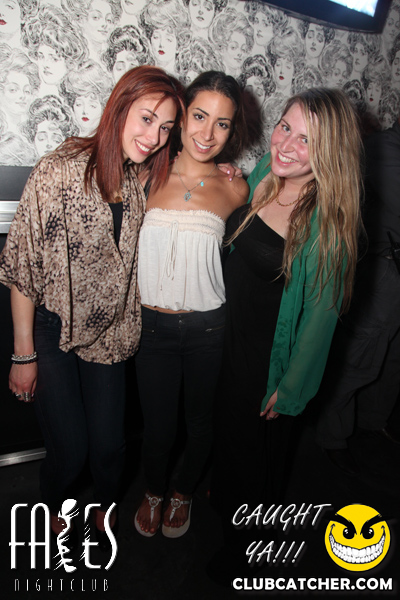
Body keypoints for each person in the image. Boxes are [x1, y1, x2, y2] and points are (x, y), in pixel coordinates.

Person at [0, 65, 184, 548]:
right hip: (52, 326)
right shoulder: (60, 169)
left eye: (166, 128)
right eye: (147, 119)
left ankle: (104, 505)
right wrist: (23, 355)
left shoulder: (144, 176)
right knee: (70, 449)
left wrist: (226, 171)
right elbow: (23, 266)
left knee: (109, 446)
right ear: (120, 108)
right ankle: (55, 503)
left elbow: (195, 175)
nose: (154, 137)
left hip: (111, 330)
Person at [209, 87, 362, 583]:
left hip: (264, 364)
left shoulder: (327, 225)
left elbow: (320, 321)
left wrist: (291, 388)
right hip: (228, 342)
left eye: (307, 140)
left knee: (256, 463)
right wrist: (229, 178)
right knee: (228, 445)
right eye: (285, 126)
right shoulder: (264, 174)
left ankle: (245, 554)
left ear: (331, 153)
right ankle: (228, 508)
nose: (287, 145)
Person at [133, 71, 249, 538]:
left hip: (208, 331)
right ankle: (153, 490)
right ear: (181, 118)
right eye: (199, 116)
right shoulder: (146, 174)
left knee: (201, 424)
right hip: (152, 330)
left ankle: (182, 492)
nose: (208, 133)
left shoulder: (236, 188)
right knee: (158, 428)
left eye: (222, 123)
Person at [316, 110, 400, 474]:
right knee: (359, 359)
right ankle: (331, 437)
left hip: (391, 272)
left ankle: (372, 422)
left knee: (393, 359)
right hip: (383, 270)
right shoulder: (383, 148)